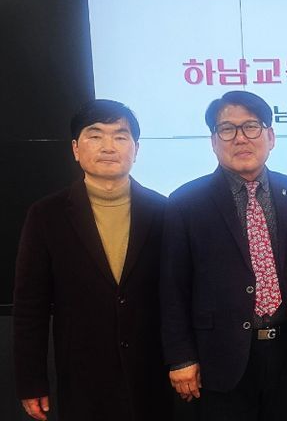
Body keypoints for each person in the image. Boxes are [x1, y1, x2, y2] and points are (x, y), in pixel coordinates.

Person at [161, 90, 287, 421]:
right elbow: (172, 288)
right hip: (219, 356)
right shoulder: (185, 203)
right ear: (213, 141)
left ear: (270, 137)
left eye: (251, 126)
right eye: (227, 129)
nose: (240, 138)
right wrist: (181, 357)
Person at [13, 99, 172, 421]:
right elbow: (31, 306)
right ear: (75, 148)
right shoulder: (47, 215)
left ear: (136, 149)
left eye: (120, 136)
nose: (108, 146)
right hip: (83, 376)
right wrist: (31, 380)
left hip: (153, 373)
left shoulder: (164, 211)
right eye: (95, 135)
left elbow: (177, 295)